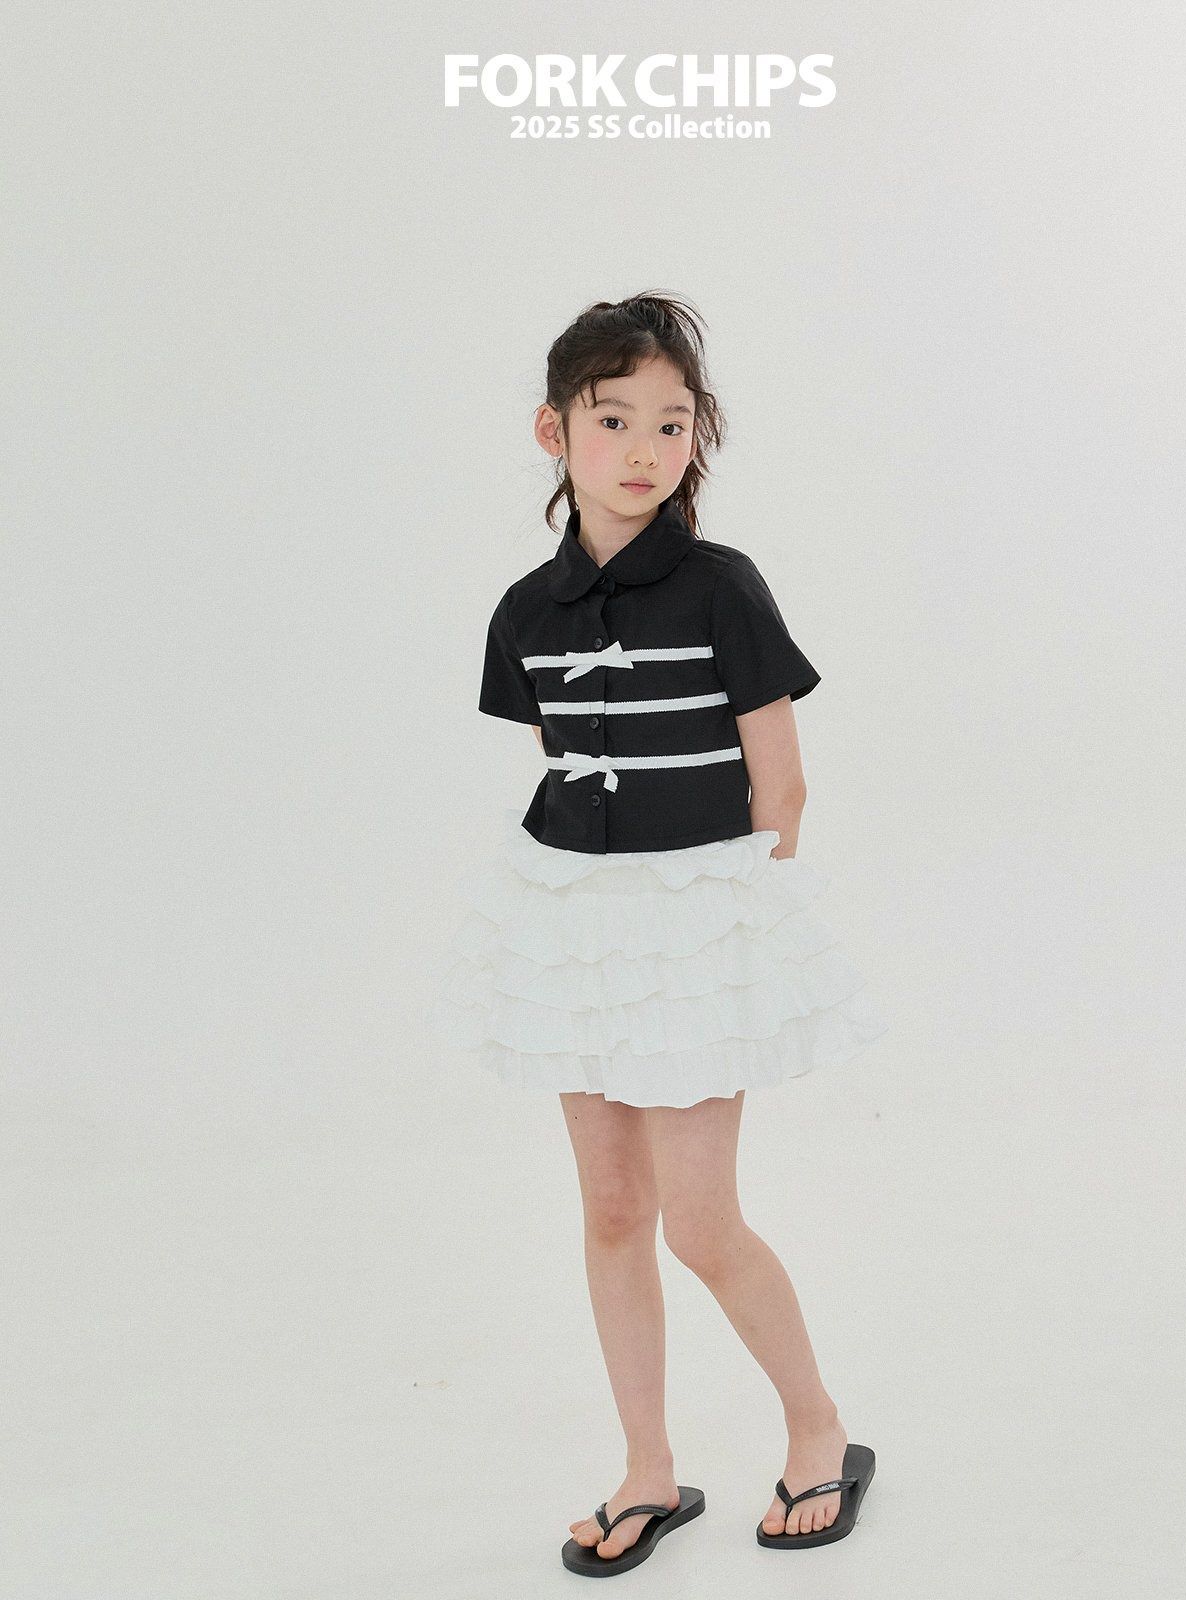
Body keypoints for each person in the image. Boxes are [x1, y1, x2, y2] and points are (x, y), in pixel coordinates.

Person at [430, 292, 887, 1575]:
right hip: (573, 927)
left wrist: (719, 938)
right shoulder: (524, 612)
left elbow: (779, 787)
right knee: (613, 1209)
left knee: (699, 1219)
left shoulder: (720, 586)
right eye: (613, 419)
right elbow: (562, 757)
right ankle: (647, 1467)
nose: (643, 449)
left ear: (699, 438)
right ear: (554, 431)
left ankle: (817, 1426)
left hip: (693, 925)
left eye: (672, 424)